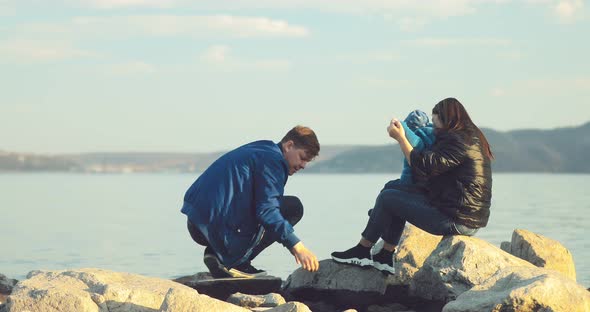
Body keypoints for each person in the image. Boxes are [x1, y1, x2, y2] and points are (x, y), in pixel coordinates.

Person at [331, 97, 493, 275]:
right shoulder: (468, 137)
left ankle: (362, 251)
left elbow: (424, 167)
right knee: (393, 189)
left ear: (445, 118)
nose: (433, 127)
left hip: (457, 220)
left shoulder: (458, 141)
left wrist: (401, 138)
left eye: (434, 121)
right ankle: (385, 255)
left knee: (388, 199)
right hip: (457, 210)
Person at [181, 126, 321, 278]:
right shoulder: (273, 161)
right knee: (293, 208)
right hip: (215, 225)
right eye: (302, 157)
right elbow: (267, 211)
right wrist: (297, 247)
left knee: (273, 206)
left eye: (307, 161)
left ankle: (217, 254)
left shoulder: (263, 148)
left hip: (196, 221)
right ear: (289, 146)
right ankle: (236, 262)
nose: (303, 165)